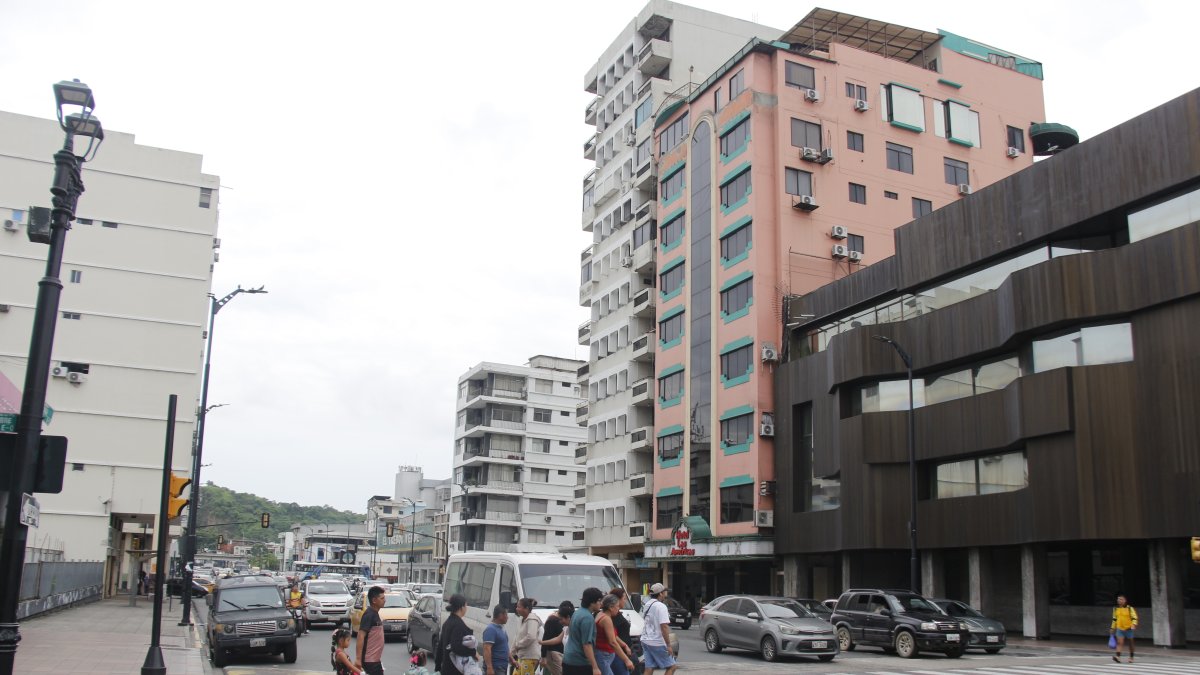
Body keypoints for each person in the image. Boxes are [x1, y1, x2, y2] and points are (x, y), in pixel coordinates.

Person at [563, 587, 604, 675]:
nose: (601, 603)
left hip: (568, 658)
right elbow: (587, 645)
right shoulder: (587, 618)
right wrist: (595, 667)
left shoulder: (577, 612)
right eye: (599, 600)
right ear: (592, 602)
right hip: (580, 662)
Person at [640, 584, 676, 675]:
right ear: (660, 594)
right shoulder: (661, 606)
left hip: (645, 639)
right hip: (656, 642)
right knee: (672, 666)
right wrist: (668, 645)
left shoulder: (647, 604)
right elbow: (664, 626)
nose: (665, 595)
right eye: (664, 592)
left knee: (649, 667)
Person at [442, 593, 482, 675]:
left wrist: (438, 666)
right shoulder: (458, 625)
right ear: (462, 607)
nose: (466, 609)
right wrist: (473, 652)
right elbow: (456, 647)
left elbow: (440, 646)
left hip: (446, 667)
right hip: (455, 669)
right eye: (466, 606)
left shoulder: (447, 622)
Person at [595, 595, 633, 675]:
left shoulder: (601, 614)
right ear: (611, 607)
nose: (618, 609)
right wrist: (627, 660)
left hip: (606, 654)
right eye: (617, 606)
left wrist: (624, 645)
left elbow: (613, 635)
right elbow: (612, 642)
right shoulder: (606, 619)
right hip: (604, 654)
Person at [355, 586, 387, 675]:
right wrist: (358, 659)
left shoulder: (375, 613)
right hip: (369, 661)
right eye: (382, 598)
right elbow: (360, 636)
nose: (385, 600)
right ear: (374, 600)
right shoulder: (369, 615)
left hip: (375, 660)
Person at [539, 601, 573, 675]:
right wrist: (542, 643)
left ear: (568, 617)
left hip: (571, 659)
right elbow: (557, 639)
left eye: (561, 619)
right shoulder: (565, 628)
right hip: (563, 657)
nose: (560, 622)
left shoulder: (576, 628)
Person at [606, 589, 635, 675]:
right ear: (617, 600)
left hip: (624, 651)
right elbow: (613, 636)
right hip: (617, 653)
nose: (625, 601)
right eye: (624, 598)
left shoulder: (617, 614)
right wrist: (624, 645)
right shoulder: (611, 617)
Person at [513, 597, 544, 675]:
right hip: (522, 656)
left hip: (530, 657)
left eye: (519, 607)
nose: (516, 609)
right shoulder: (521, 619)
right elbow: (517, 637)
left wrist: (518, 645)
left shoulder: (532, 619)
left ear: (526, 608)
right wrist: (511, 653)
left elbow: (531, 636)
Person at [483, 605, 515, 675]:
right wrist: (489, 668)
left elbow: (505, 647)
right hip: (495, 667)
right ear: (500, 615)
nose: (507, 617)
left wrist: (512, 660)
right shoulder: (491, 629)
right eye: (506, 614)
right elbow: (487, 649)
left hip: (502, 667)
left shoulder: (501, 628)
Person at [1110, 594, 1139, 663]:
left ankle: (1131, 657)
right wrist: (1112, 627)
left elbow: (1134, 617)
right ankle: (1118, 657)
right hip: (1120, 628)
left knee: (1131, 643)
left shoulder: (1129, 608)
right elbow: (1114, 619)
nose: (1119, 600)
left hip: (1128, 629)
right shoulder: (1115, 608)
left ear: (1125, 600)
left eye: (1121, 599)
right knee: (1119, 643)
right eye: (1118, 599)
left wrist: (1134, 624)